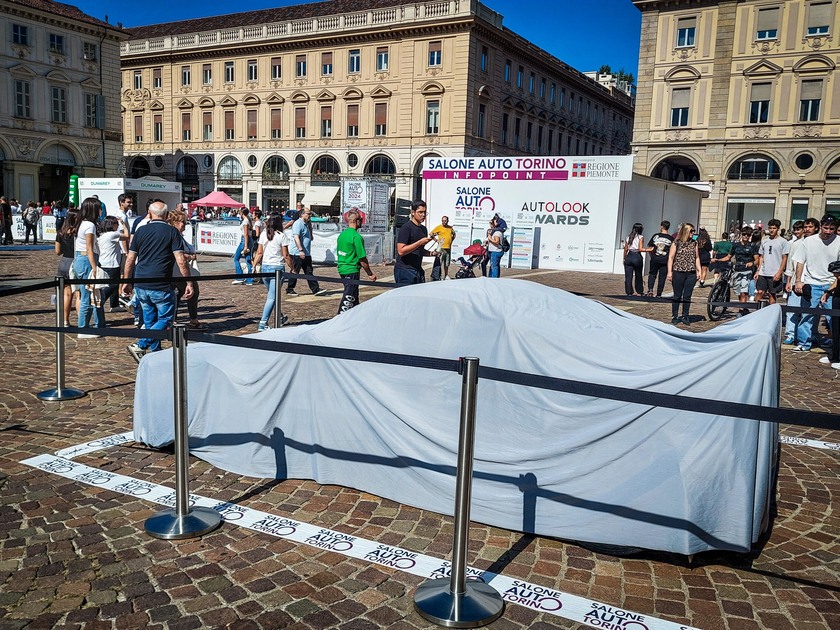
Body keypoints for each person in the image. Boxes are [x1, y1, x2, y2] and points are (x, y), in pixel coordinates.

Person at [122, 201, 194, 363]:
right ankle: (140, 345)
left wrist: (127, 281)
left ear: (149, 212)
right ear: (167, 215)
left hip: (141, 282)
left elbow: (130, 259)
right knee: (166, 319)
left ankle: (155, 352)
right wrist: (189, 282)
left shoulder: (141, 231)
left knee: (150, 321)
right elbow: (181, 260)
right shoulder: (171, 232)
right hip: (160, 283)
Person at [792, 215, 840, 353]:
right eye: (826, 227)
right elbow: (800, 261)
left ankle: (836, 345)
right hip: (811, 282)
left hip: (831, 283)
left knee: (833, 317)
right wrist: (798, 281)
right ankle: (804, 343)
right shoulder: (809, 241)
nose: (828, 231)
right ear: (821, 226)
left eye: (832, 228)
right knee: (807, 314)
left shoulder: (839, 241)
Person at [166, 208, 206, 330]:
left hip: (180, 271)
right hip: (178, 271)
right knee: (192, 292)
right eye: (183, 221)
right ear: (175, 222)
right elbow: (176, 254)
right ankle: (192, 320)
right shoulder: (174, 235)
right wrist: (189, 256)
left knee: (177, 295)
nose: (185, 224)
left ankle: (173, 320)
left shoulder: (179, 235)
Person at [71, 197, 105, 338]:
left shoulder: (83, 223)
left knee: (96, 294)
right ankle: (83, 329)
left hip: (82, 259)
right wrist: (94, 267)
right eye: (98, 208)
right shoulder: (89, 226)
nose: (100, 211)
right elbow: (89, 248)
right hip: (86, 260)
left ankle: (99, 324)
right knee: (87, 295)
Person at [252, 214, 292, 330]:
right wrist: (292, 267)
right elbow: (286, 255)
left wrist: (254, 266)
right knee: (272, 297)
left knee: (272, 295)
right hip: (277, 268)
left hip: (265, 267)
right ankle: (263, 323)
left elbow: (259, 252)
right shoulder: (281, 236)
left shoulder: (264, 234)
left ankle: (279, 317)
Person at [336, 210, 377, 314]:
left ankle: (355, 317)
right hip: (351, 269)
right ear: (356, 220)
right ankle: (339, 320)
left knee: (354, 296)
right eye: (361, 219)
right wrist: (370, 273)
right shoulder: (356, 237)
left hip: (342, 268)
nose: (362, 222)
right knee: (348, 298)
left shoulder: (342, 235)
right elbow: (362, 259)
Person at [783, 219, 817, 345]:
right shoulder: (796, 244)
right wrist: (788, 281)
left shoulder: (818, 243)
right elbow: (790, 265)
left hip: (812, 282)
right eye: (806, 227)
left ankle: (810, 335)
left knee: (810, 312)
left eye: (810, 227)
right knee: (792, 310)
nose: (808, 229)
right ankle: (790, 334)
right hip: (795, 281)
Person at [394, 200, 437, 285]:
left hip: (417, 270)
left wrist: (432, 253)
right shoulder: (406, 228)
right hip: (405, 270)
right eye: (420, 212)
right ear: (413, 212)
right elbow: (401, 251)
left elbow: (419, 250)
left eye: (425, 212)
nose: (423, 215)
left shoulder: (423, 229)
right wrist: (420, 242)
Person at [666, 223, 701, 325]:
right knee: (677, 295)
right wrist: (669, 272)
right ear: (685, 231)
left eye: (693, 231)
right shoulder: (676, 242)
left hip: (690, 272)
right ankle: (675, 316)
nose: (693, 233)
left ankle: (685, 315)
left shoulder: (694, 243)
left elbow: (697, 257)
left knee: (687, 296)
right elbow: (671, 257)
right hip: (678, 272)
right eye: (691, 231)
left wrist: (699, 270)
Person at [286, 206, 323, 296]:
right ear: (302, 214)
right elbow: (296, 237)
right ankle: (290, 289)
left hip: (306, 253)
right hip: (297, 253)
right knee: (295, 271)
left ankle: (315, 289)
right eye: (308, 214)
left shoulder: (306, 223)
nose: (310, 215)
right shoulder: (298, 223)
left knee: (308, 271)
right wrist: (300, 250)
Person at [96, 216, 129, 313]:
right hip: (111, 264)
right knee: (113, 285)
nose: (117, 225)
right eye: (116, 223)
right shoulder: (112, 235)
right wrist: (124, 224)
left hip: (104, 262)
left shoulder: (102, 235)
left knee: (114, 283)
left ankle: (114, 304)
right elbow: (126, 235)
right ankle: (100, 301)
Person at [754, 219, 789, 305]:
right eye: (770, 228)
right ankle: (757, 310)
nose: (772, 230)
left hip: (774, 272)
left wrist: (779, 272)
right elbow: (761, 256)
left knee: (772, 294)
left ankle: (771, 312)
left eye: (774, 228)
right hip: (763, 272)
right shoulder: (764, 240)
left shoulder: (783, 242)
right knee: (760, 292)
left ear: (778, 229)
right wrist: (758, 270)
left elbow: (784, 258)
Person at [725, 226, 759, 316]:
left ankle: (741, 310)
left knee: (744, 291)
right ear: (741, 234)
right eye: (744, 234)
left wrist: (752, 263)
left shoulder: (752, 246)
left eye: (748, 235)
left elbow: (757, 259)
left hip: (747, 271)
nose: (746, 236)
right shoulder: (735, 245)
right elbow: (729, 256)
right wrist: (717, 260)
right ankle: (743, 307)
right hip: (737, 270)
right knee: (738, 291)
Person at [55, 209, 79, 327]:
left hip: (64, 262)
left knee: (67, 294)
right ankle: (82, 321)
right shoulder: (78, 232)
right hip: (75, 262)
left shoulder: (61, 232)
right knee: (79, 294)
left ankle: (65, 320)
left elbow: (57, 251)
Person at [645, 221, 672, 297]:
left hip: (655, 258)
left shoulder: (656, 236)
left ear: (661, 227)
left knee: (652, 274)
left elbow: (650, 247)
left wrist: (652, 256)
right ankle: (659, 293)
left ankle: (650, 290)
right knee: (662, 277)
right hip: (665, 259)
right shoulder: (671, 238)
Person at [232, 207, 254, 285]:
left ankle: (239, 277)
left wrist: (245, 245)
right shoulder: (248, 221)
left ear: (242, 213)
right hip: (249, 240)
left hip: (245, 240)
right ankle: (250, 279)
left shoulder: (245, 222)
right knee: (248, 259)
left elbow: (245, 234)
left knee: (236, 258)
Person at [430, 216, 456, 280]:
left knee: (447, 263)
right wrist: (436, 240)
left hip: (448, 248)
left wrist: (451, 241)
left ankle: (446, 275)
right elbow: (431, 234)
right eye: (442, 220)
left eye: (445, 220)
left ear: (447, 221)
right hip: (441, 248)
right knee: (439, 263)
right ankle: (438, 276)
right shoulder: (439, 227)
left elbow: (454, 234)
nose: (444, 222)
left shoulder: (450, 228)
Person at [622, 222, 645, 296]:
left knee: (628, 277)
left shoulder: (628, 237)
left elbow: (625, 249)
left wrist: (624, 258)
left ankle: (629, 292)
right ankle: (639, 291)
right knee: (638, 275)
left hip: (629, 256)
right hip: (637, 256)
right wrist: (649, 249)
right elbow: (640, 248)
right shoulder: (640, 237)